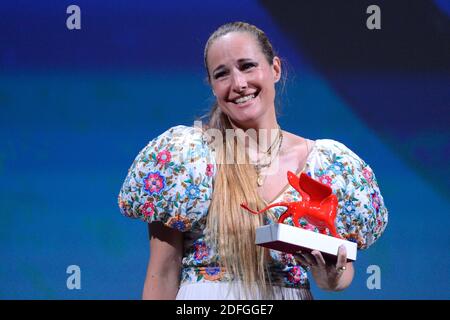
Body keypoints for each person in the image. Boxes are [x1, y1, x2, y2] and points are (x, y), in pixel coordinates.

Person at [117, 21, 388, 300]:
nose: (239, 84)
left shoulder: (327, 165)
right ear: (211, 85)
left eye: (247, 66)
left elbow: (340, 276)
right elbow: (162, 273)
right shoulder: (187, 157)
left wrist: (328, 276)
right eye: (222, 74)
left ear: (275, 69)